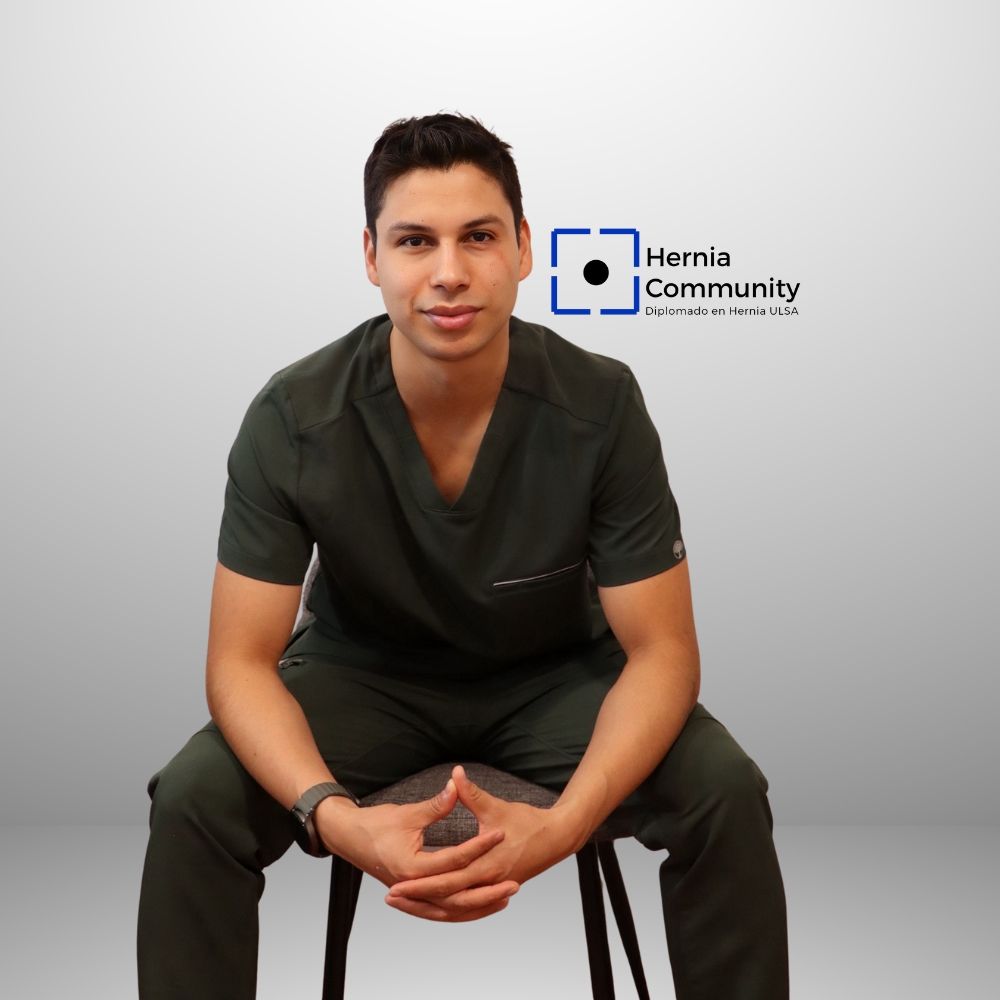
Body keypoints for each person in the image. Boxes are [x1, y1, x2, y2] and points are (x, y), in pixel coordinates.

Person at [136, 112, 789, 999]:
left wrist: (564, 825)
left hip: (555, 678)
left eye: (478, 236)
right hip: (362, 678)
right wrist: (337, 820)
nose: (449, 271)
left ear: (524, 249)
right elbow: (240, 663)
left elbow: (663, 651)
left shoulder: (601, 404)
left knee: (723, 788)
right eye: (416, 240)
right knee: (193, 797)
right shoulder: (294, 417)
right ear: (371, 256)